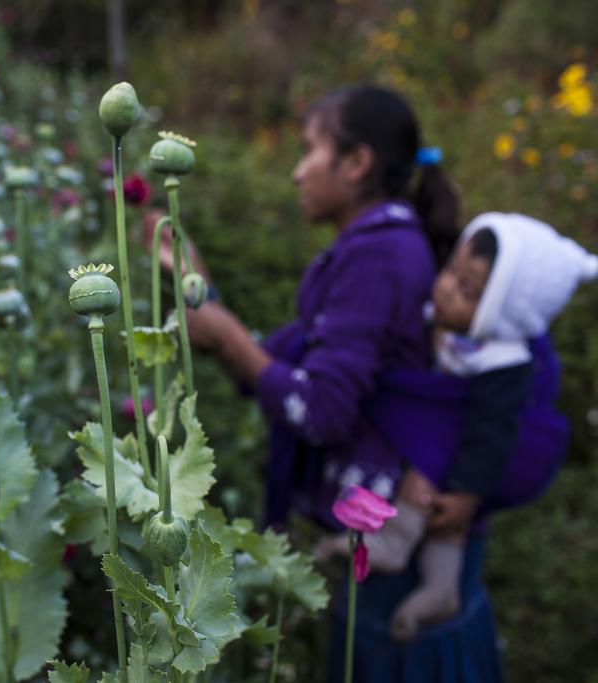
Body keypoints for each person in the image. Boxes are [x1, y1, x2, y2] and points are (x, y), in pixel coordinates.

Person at [150, 84, 508, 681]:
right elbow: (294, 367)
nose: (296, 173)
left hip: (400, 556)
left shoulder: (379, 257)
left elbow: (319, 408)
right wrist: (201, 294)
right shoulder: (385, 245)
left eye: (309, 150)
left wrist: (229, 337)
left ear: (357, 162)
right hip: (395, 545)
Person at [316, 212, 597, 640]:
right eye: (450, 271)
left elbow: (492, 434)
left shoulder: (504, 362)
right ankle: (439, 587)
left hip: (469, 457)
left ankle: (409, 560)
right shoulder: (447, 322)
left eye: (467, 289)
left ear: (505, 312)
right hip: (452, 436)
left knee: (437, 494)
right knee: (441, 503)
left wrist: (468, 491)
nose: (446, 287)